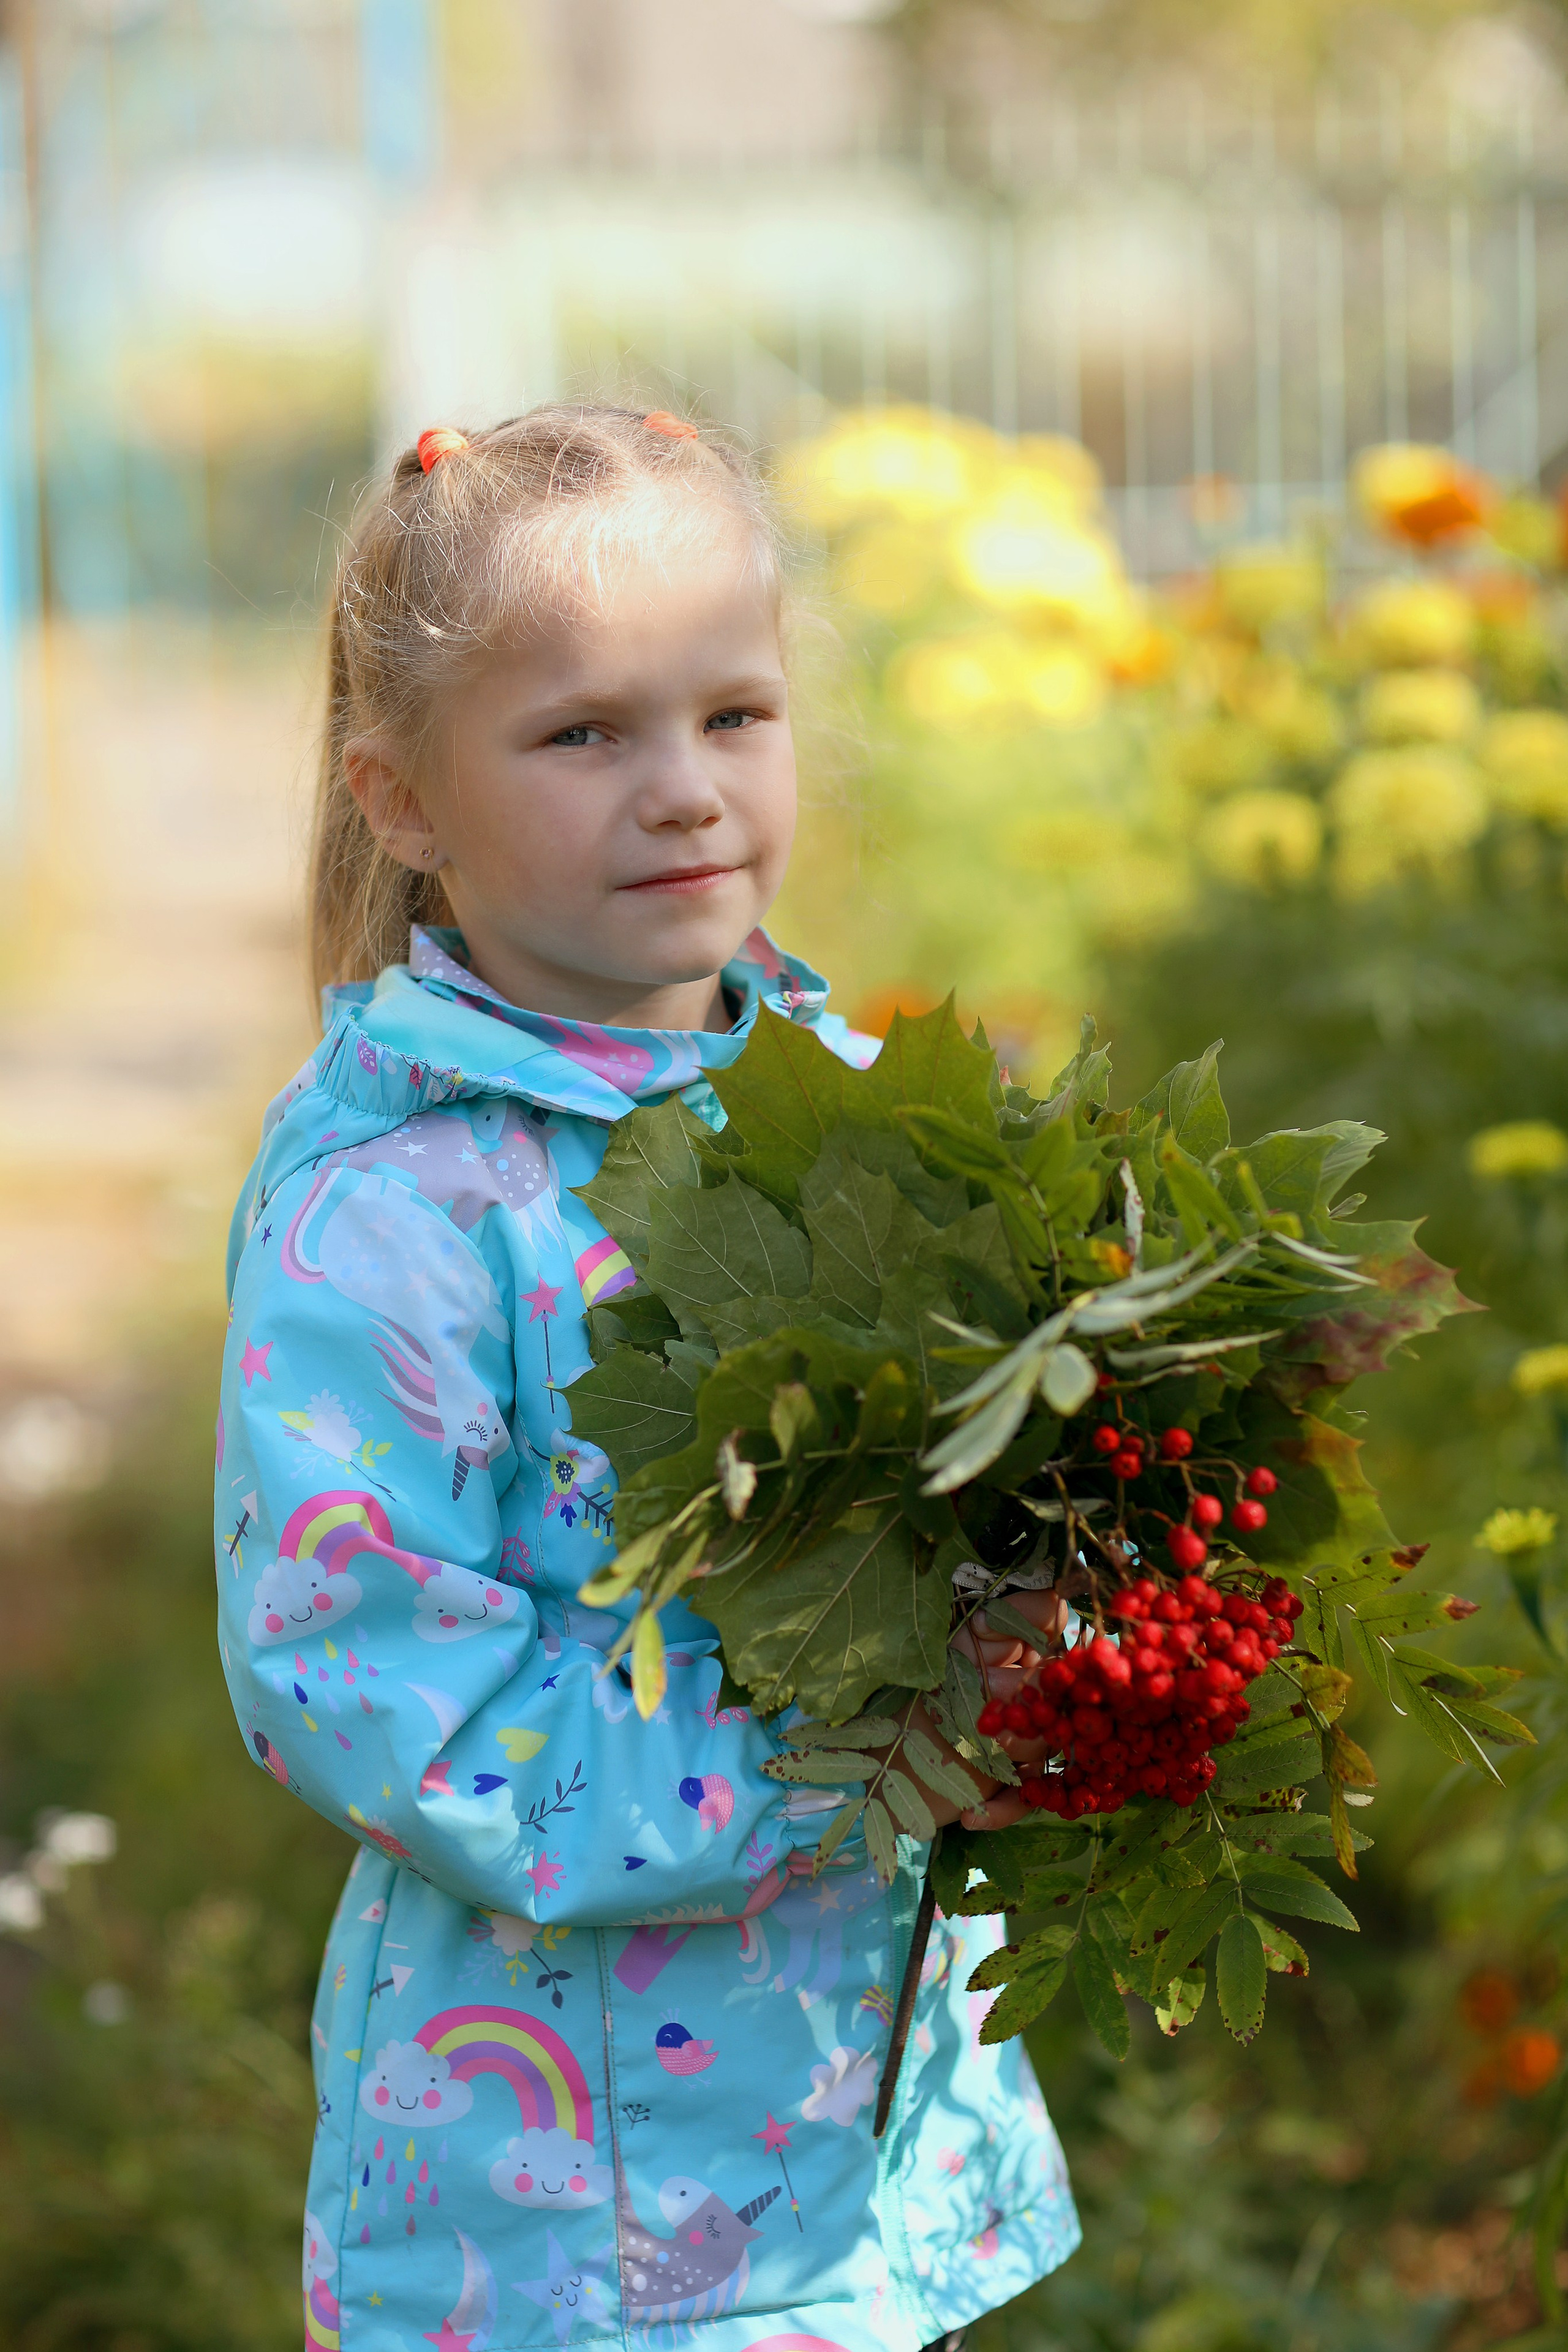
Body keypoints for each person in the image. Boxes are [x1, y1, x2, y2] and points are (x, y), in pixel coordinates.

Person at [216, 404, 1080, 2352]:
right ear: (400, 799)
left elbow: (991, 1500)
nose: (685, 793)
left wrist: (1073, 1631)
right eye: (585, 733)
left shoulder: (861, 1117)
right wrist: (846, 1766)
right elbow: (372, 1688)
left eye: (734, 716)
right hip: (568, 2209)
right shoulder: (399, 1216)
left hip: (872, 2139)